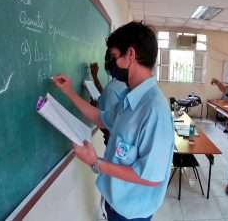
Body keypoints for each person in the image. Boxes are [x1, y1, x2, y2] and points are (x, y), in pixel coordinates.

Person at [52, 22, 174, 221]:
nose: (113, 65)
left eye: (115, 57)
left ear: (131, 55)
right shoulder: (131, 97)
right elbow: (101, 118)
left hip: (131, 213)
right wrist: (70, 93)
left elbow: (150, 177)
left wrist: (95, 162)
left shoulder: (154, 110)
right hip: (115, 201)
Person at [90, 51, 127, 145]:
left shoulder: (112, 88)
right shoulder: (123, 83)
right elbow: (107, 94)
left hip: (114, 145)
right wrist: (95, 77)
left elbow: (109, 129)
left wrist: (93, 110)